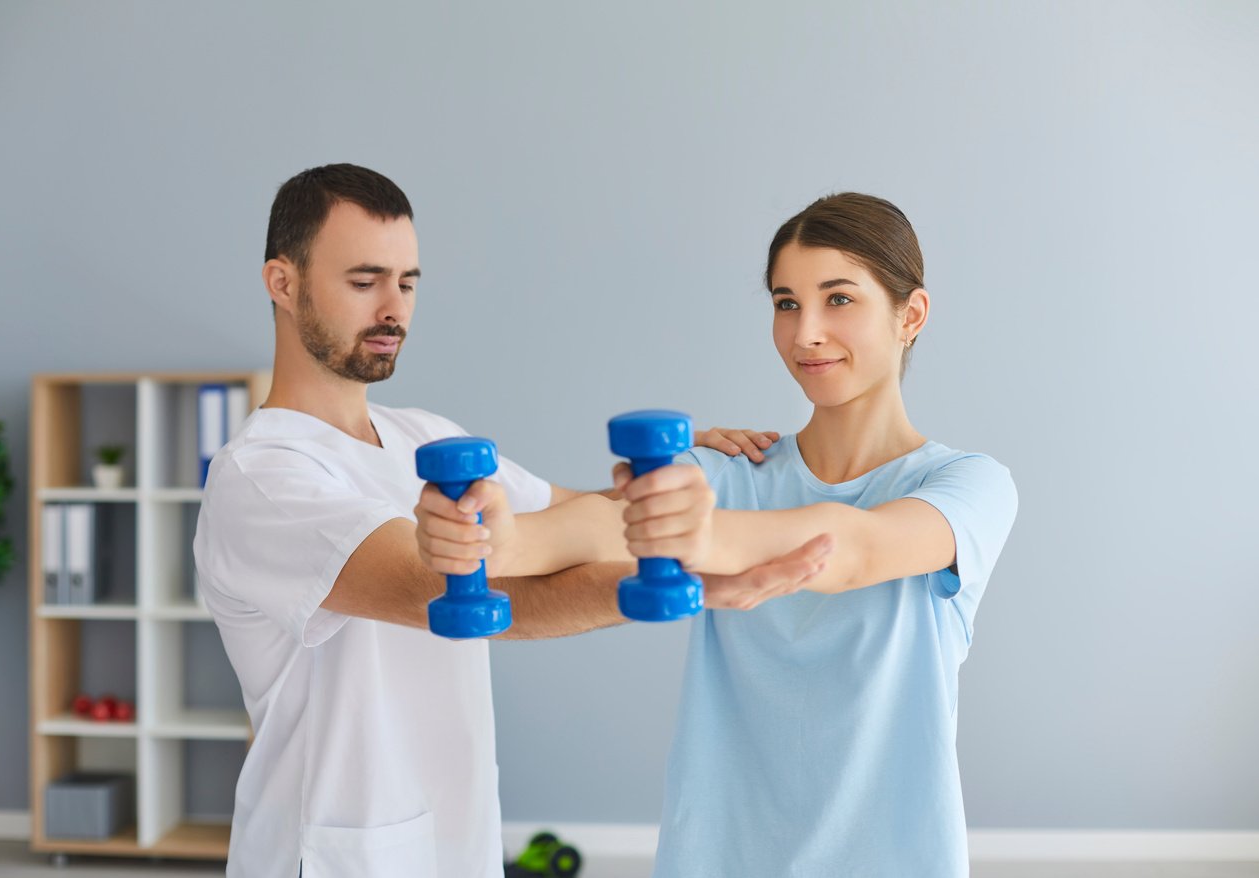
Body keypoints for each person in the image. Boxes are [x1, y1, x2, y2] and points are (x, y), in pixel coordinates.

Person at [191, 163, 826, 878]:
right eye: (364, 281)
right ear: (282, 282)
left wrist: (678, 477)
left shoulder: (420, 434)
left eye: (408, 282)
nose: (393, 309)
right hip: (334, 856)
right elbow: (462, 593)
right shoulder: (262, 477)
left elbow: (571, 519)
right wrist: (688, 582)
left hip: (454, 841)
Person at [417, 192, 1018, 876]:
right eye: (785, 302)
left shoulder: (969, 486)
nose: (804, 333)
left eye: (838, 299)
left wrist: (685, 533)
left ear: (910, 314)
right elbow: (596, 526)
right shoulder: (727, 472)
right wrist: (497, 538)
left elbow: (852, 549)